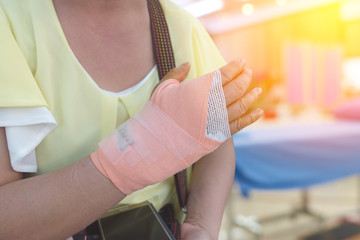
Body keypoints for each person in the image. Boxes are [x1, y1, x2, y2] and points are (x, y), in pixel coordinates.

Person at [0, 0, 263, 239]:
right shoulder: (10, 21)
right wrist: (141, 150)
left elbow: (216, 142)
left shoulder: (182, 28)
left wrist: (201, 223)